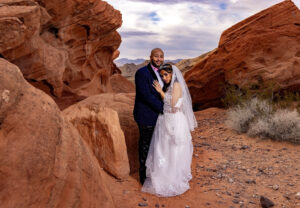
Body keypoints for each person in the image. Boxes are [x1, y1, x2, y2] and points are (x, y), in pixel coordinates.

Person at [141, 63, 197, 197]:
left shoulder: (176, 85)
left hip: (174, 121)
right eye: (162, 76)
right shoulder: (170, 85)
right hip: (165, 119)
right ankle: (164, 174)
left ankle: (173, 176)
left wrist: (160, 92)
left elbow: (172, 105)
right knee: (164, 149)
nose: (164, 78)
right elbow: (168, 102)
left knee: (174, 149)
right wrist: (163, 92)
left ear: (172, 73)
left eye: (166, 75)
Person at [133, 48, 165, 185]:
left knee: (157, 145)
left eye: (161, 56)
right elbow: (145, 95)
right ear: (150, 57)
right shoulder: (142, 73)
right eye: (156, 56)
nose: (159, 59)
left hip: (159, 116)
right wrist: (163, 108)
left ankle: (156, 172)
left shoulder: (163, 73)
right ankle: (143, 177)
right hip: (146, 115)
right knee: (146, 145)